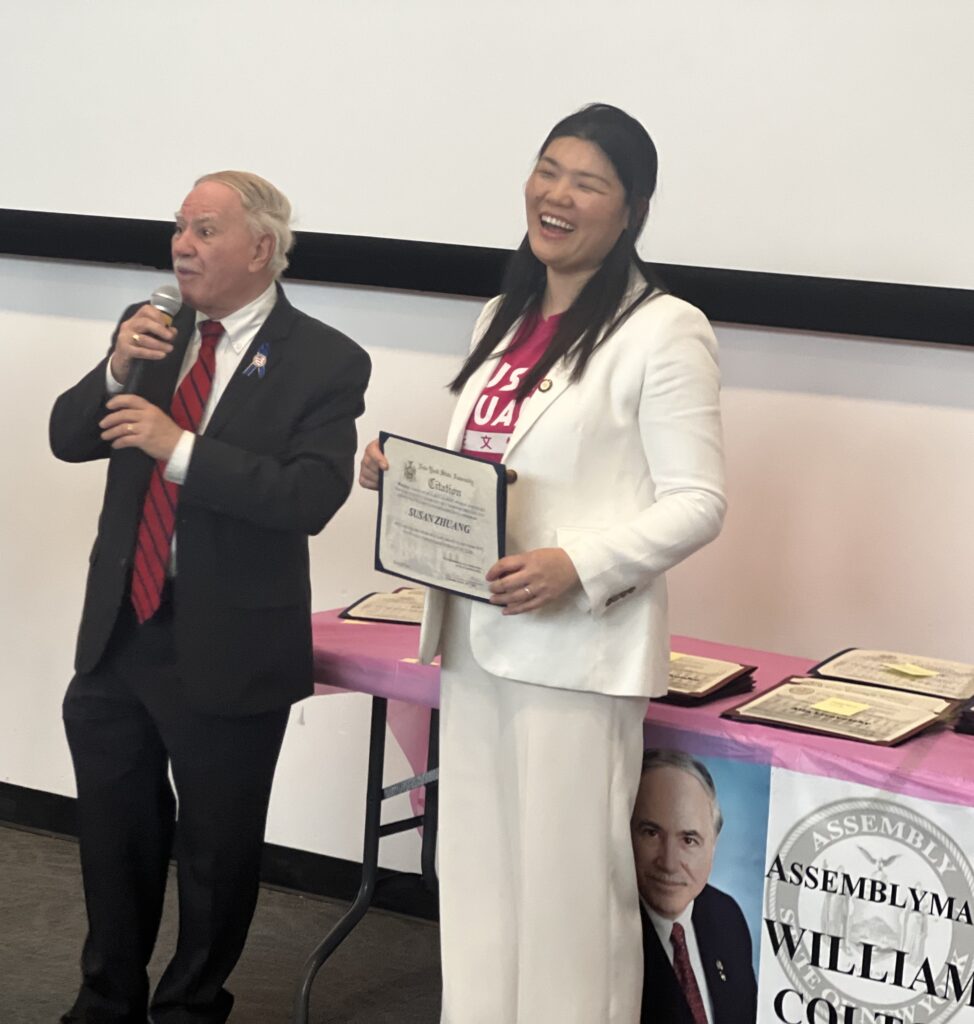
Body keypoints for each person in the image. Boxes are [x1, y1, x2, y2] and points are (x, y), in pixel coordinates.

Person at [359, 103, 725, 1023]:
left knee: (566, 899)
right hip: (478, 640)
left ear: (631, 209)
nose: (556, 195)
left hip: (576, 651)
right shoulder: (502, 312)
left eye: (586, 182)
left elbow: (698, 501)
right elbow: (492, 470)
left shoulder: (664, 329)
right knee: (477, 878)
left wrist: (580, 563)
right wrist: (405, 478)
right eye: (547, 169)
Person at [50, 170, 371, 1024]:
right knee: (114, 836)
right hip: (121, 628)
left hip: (229, 638)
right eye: (178, 229)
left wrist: (180, 447)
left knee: (216, 851)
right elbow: (66, 436)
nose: (181, 246)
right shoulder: (154, 335)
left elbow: (309, 497)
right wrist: (117, 367)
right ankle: (105, 997)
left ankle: (190, 1006)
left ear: (261, 248)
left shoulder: (325, 359)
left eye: (204, 230)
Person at [631, 749, 757, 1024]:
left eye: (688, 840)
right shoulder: (605, 928)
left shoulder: (726, 916)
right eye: (651, 833)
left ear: (714, 845)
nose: (669, 863)